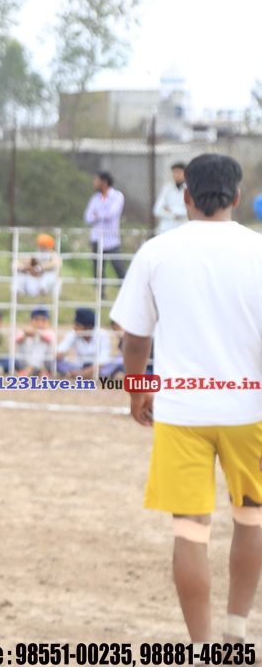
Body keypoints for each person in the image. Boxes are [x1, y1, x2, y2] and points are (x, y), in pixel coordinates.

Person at [112, 153, 262, 646]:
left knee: (190, 533)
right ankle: (236, 632)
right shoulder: (258, 251)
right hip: (251, 410)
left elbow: (135, 338)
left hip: (181, 412)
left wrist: (137, 389)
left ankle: (200, 648)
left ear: (186, 196)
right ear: (236, 197)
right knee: (252, 519)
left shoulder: (158, 251)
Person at [84, 171, 126, 298]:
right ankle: (101, 296)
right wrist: (100, 215)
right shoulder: (94, 198)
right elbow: (87, 218)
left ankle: (126, 294)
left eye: (97, 181)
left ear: (104, 182)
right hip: (97, 239)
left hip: (112, 239)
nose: (94, 183)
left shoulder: (117, 196)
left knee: (119, 268)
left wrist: (97, 215)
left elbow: (112, 214)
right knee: (98, 270)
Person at [55, 307, 115, 379]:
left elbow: (103, 361)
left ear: (89, 328)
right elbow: (59, 351)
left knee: (115, 362)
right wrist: (61, 353)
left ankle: (77, 375)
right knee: (56, 362)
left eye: (78, 325)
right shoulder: (73, 334)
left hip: (96, 368)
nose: (75, 328)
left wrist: (83, 374)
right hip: (78, 367)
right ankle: (76, 374)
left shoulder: (103, 335)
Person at [12, 233, 60, 298]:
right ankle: (18, 296)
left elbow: (56, 264)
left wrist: (38, 268)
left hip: (48, 285)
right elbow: (18, 263)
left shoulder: (54, 256)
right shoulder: (35, 255)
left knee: (50, 276)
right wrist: (22, 267)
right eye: (40, 245)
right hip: (35, 281)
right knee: (19, 276)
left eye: (44, 245)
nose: (41, 247)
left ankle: (41, 295)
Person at [14, 307, 56, 377]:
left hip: (44, 363)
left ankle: (31, 369)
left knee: (42, 342)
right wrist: (25, 335)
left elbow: (51, 339)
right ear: (30, 321)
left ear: (48, 322)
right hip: (26, 363)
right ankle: (40, 370)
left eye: (43, 320)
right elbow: (15, 339)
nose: (40, 323)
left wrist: (38, 333)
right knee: (25, 340)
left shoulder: (49, 333)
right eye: (36, 320)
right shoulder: (25, 332)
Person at [153, 162, 189, 234]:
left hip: (182, 230)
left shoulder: (190, 189)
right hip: (165, 229)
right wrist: (174, 216)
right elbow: (157, 210)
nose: (175, 175)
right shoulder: (167, 188)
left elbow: (189, 211)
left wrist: (171, 209)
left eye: (178, 172)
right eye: (174, 172)